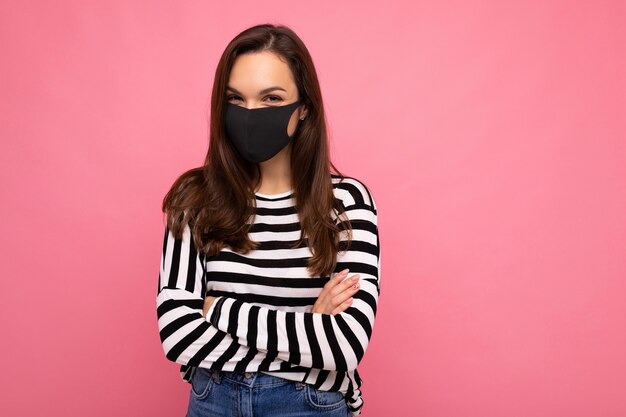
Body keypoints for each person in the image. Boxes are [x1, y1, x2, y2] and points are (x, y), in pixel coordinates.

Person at [155, 23, 381, 417]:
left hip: (309, 407)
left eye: (271, 98)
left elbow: (344, 344)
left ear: (304, 108)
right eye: (236, 99)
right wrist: (307, 326)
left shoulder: (345, 202)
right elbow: (176, 332)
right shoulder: (196, 198)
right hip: (214, 403)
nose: (251, 114)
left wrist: (215, 309)